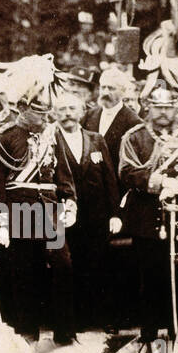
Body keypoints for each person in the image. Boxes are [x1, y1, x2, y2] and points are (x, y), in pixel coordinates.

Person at [0, 66, 78, 345]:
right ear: (22, 107)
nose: (44, 118)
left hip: (48, 210)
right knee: (25, 272)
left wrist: (69, 201)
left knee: (63, 266)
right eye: (39, 112)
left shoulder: (52, 135)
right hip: (19, 210)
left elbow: (63, 174)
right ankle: (27, 331)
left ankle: (65, 331)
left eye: (47, 113)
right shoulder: (5, 137)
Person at [117, 83, 178, 341]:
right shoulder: (134, 137)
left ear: (176, 108)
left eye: (168, 107)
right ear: (147, 107)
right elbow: (126, 171)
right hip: (145, 214)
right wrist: (158, 182)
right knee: (148, 273)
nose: (163, 112)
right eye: (158, 107)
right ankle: (149, 330)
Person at [57, 89, 120, 331]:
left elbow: (110, 179)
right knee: (73, 267)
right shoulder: (51, 139)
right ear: (55, 114)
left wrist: (115, 213)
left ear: (82, 112)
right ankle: (79, 319)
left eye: (72, 109)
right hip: (66, 216)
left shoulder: (96, 139)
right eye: (62, 109)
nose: (67, 114)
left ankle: (107, 318)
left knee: (101, 265)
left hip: (97, 216)